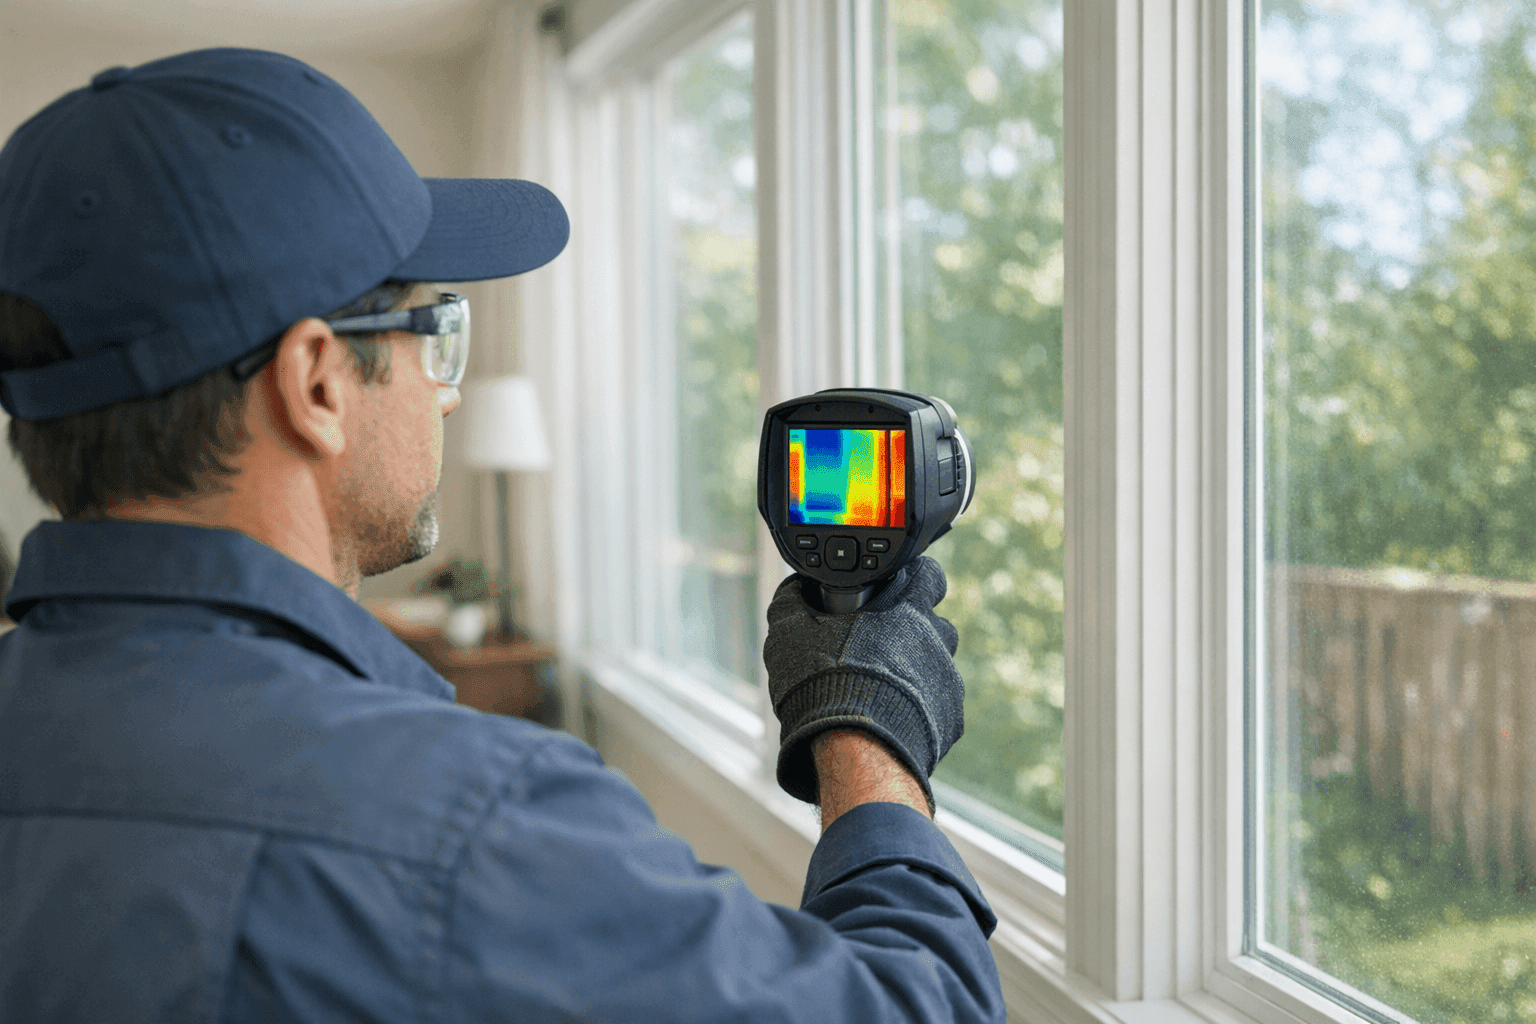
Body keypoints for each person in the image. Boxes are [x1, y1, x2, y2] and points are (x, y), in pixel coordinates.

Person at [0, 47, 1004, 1022]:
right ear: (314, 385)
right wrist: (865, 734)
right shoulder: (466, 825)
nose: (446, 398)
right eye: (436, 330)